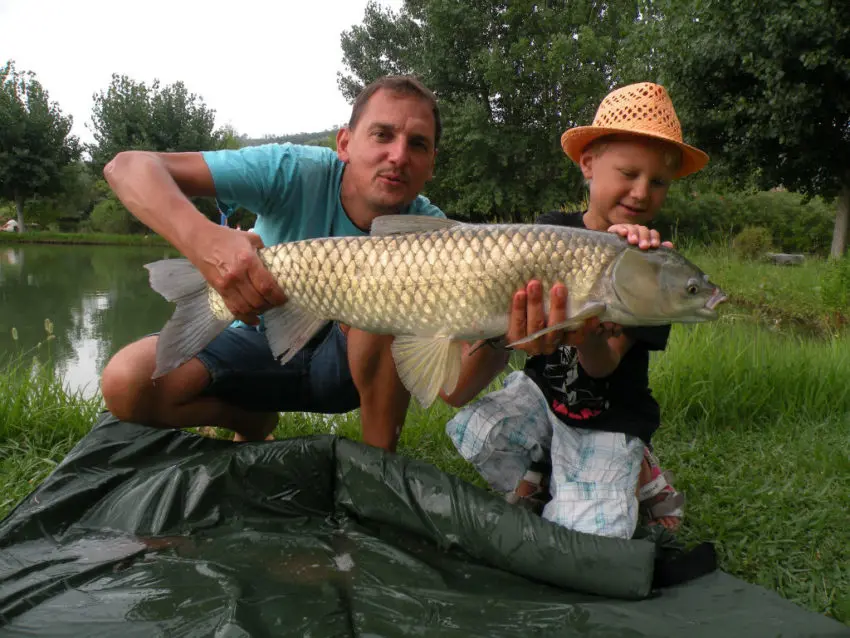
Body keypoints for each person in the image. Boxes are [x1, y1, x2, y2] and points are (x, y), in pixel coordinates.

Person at [100, 75, 449, 449]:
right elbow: (127, 168)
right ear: (345, 143)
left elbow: (455, 385)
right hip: (257, 339)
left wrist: (503, 339)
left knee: (386, 307)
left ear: (430, 164)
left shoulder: (435, 235)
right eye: (382, 135)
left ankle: (379, 470)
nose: (398, 156)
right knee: (126, 382)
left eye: (417, 144)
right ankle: (248, 419)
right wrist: (206, 242)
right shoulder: (292, 169)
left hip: (348, 369)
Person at [441, 82, 709, 537]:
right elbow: (504, 337)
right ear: (588, 164)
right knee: (473, 431)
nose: (642, 193)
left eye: (658, 182)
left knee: (587, 537)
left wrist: (585, 332)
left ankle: (635, 465)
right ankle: (549, 468)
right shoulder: (551, 231)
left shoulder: (652, 267)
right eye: (628, 173)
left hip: (608, 413)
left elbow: (603, 367)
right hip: (546, 397)